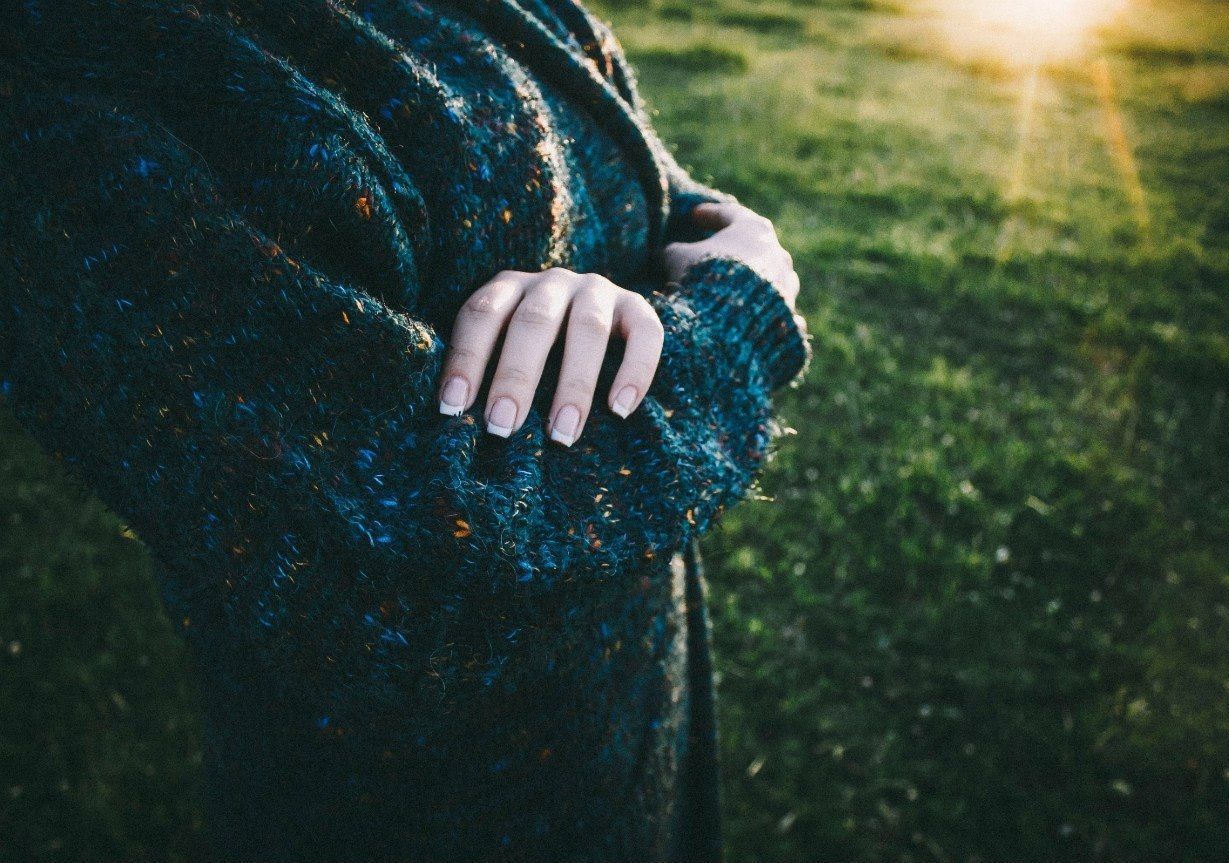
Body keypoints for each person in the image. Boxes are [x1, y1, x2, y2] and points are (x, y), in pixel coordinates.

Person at [0, 0, 810, 860]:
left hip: (638, 717)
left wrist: (677, 270)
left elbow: (640, 177)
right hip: (418, 811)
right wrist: (728, 328)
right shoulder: (78, 84)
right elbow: (402, 584)